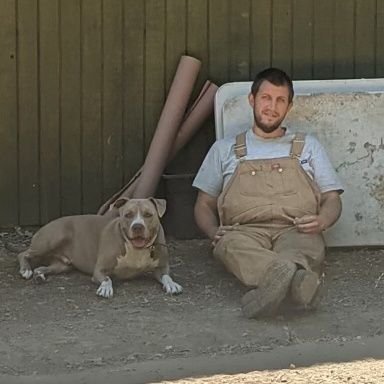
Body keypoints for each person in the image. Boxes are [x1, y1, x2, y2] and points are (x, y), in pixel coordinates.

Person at [192, 67, 343, 318]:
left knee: (304, 249)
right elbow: (203, 204)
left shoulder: (308, 146)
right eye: (266, 98)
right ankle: (297, 284)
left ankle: (273, 289)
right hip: (243, 232)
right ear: (252, 100)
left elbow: (332, 198)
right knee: (230, 246)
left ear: (289, 106)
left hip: (296, 230)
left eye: (280, 100)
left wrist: (322, 220)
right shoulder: (225, 149)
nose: (272, 107)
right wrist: (212, 231)